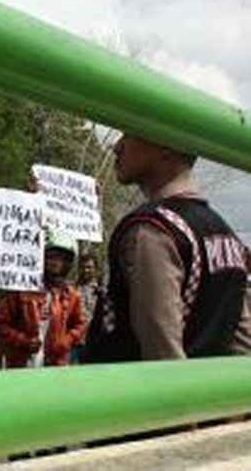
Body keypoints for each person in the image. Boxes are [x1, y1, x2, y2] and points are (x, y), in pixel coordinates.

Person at [86, 133, 250, 362]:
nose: (117, 147)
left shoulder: (153, 229)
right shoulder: (229, 236)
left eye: (128, 134)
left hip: (139, 392)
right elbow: (243, 341)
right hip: (212, 390)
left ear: (165, 145)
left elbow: (162, 353)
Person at [0, 230, 85, 368]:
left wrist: (65, 341)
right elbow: (1, 324)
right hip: (22, 363)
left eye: (60, 259)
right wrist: (24, 341)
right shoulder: (21, 289)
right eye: (51, 257)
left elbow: (79, 326)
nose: (55, 263)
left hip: (56, 364)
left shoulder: (72, 295)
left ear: (67, 263)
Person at [70, 253, 102, 363]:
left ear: (96, 269)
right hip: (74, 342)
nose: (86, 270)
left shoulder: (102, 291)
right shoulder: (71, 289)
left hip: (94, 343)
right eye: (83, 267)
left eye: (89, 267)